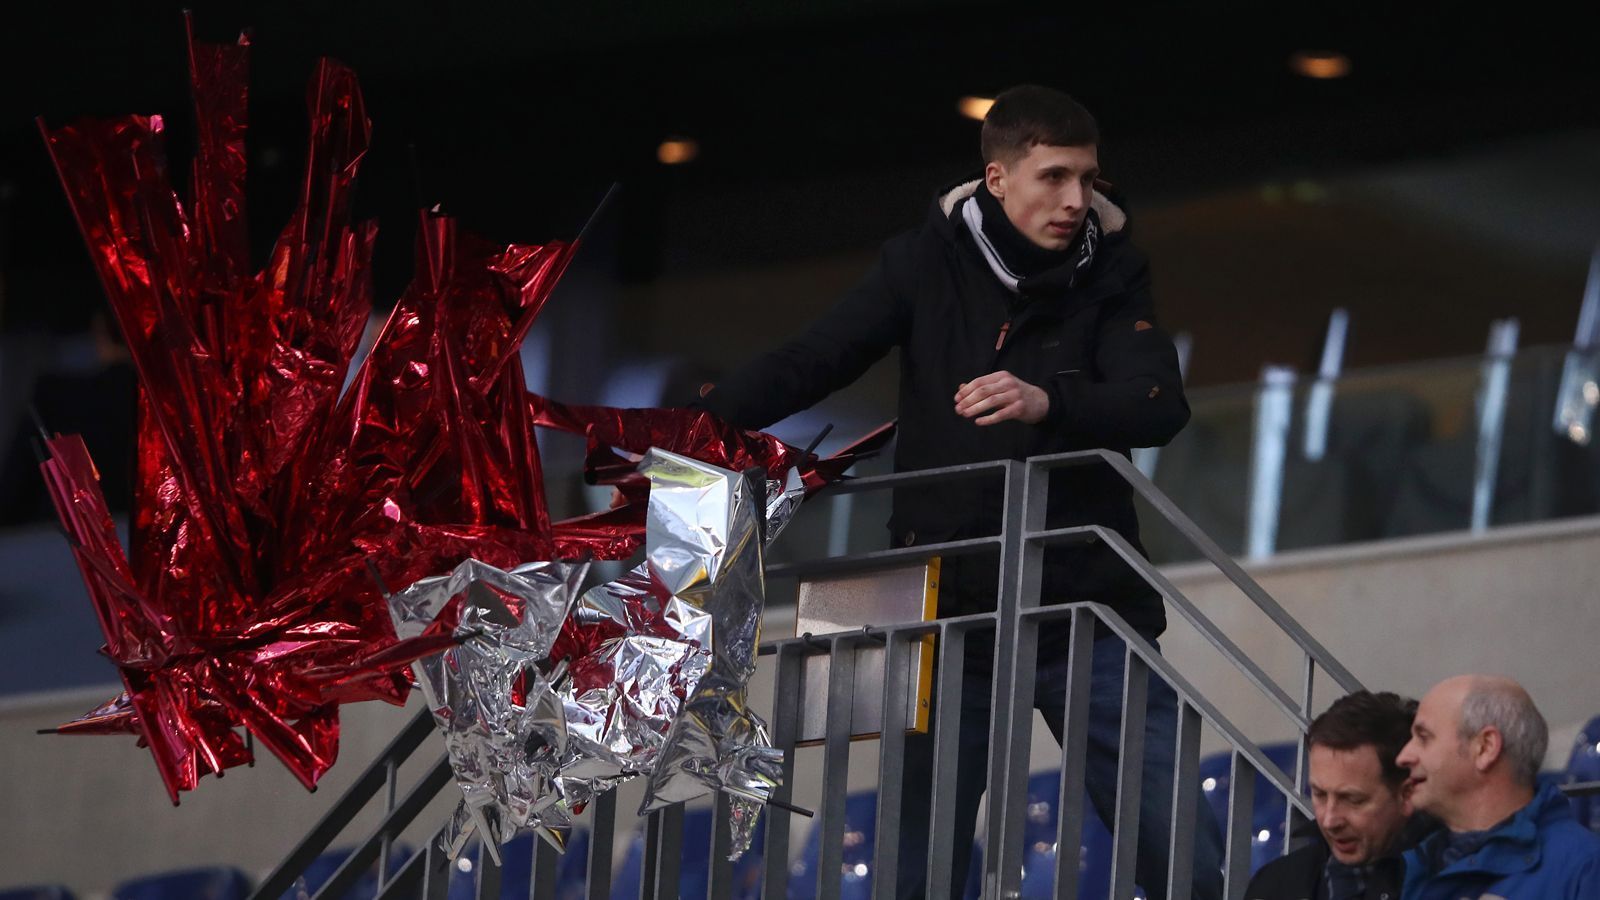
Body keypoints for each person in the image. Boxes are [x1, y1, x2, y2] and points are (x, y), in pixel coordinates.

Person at [699, 83, 1222, 898]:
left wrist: (1047, 400)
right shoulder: (921, 260)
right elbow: (814, 360)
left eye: (1087, 179)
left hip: (1086, 603)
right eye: (1053, 177)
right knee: (917, 860)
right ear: (997, 177)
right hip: (943, 607)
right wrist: (686, 428)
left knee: (1177, 838)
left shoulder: (1116, 267)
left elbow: (1160, 404)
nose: (1076, 200)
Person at [1396, 675, 1600, 899]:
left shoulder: (1584, 870)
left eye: (1424, 738)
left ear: (1485, 748)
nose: (1403, 757)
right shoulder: (1406, 865)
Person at [1246, 690, 1427, 900]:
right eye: (1319, 794)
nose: (1330, 820)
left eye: (1353, 800)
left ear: (1407, 793)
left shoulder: (1453, 881)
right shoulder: (1278, 883)